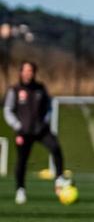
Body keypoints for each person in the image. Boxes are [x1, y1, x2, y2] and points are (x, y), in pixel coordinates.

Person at [3, 61, 71, 204]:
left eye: (31, 71)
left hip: (41, 129)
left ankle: (59, 178)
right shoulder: (14, 90)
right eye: (26, 70)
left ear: (34, 73)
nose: (29, 73)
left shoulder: (40, 88)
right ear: (21, 72)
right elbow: (7, 110)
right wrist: (17, 125)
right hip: (23, 131)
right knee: (22, 161)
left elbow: (49, 107)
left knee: (55, 147)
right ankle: (20, 190)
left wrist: (45, 120)